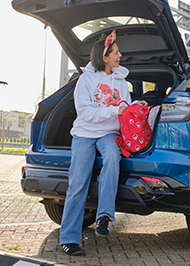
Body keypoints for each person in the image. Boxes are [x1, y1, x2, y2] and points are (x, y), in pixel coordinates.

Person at [59, 30, 147, 256]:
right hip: (85, 133)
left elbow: (124, 109)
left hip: (108, 133)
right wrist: (112, 109)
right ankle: (69, 238)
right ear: (104, 57)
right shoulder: (86, 80)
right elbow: (85, 112)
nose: (120, 55)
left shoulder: (121, 81)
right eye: (116, 52)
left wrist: (137, 106)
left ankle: (104, 216)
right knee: (78, 182)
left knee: (112, 157)